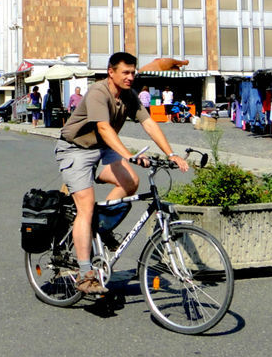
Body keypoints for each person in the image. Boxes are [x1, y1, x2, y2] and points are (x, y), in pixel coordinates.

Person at [54, 52, 190, 294]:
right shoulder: (98, 93)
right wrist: (128, 155)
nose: (130, 77)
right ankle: (85, 274)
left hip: (103, 149)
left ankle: (99, 227)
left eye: (133, 72)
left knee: (131, 182)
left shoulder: (128, 96)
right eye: (125, 72)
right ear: (111, 72)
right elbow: (104, 128)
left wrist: (171, 154)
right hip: (76, 149)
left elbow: (149, 123)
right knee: (85, 207)